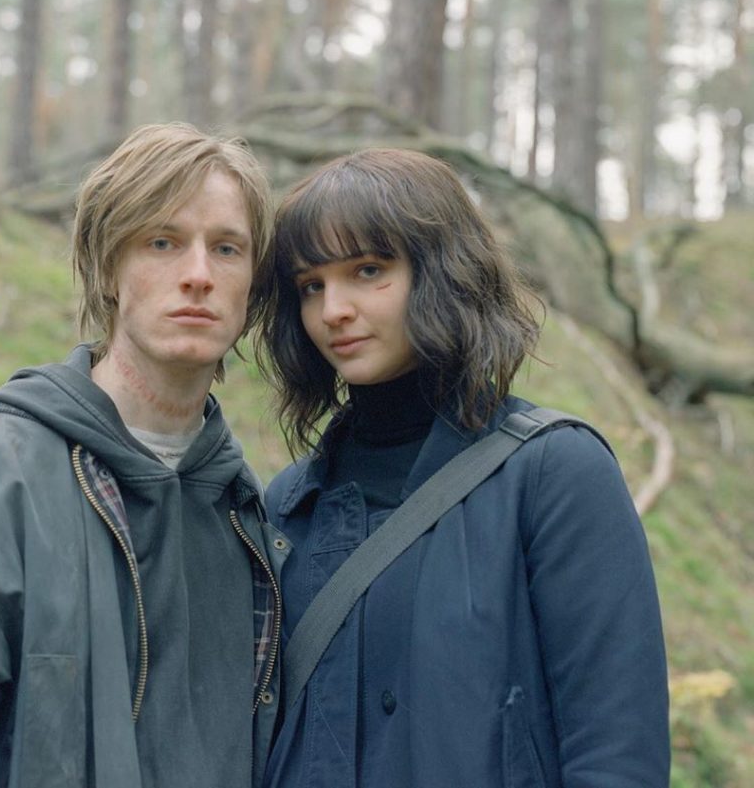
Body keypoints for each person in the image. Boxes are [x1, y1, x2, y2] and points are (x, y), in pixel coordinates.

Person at [0, 123, 285, 788]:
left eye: (226, 247)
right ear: (107, 267)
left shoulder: (246, 513)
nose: (197, 275)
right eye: (162, 241)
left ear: (253, 282)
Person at [257, 149, 670, 787]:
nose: (332, 309)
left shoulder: (556, 475)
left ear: (443, 272)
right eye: (312, 284)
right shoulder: (290, 504)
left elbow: (618, 752)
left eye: (369, 270)